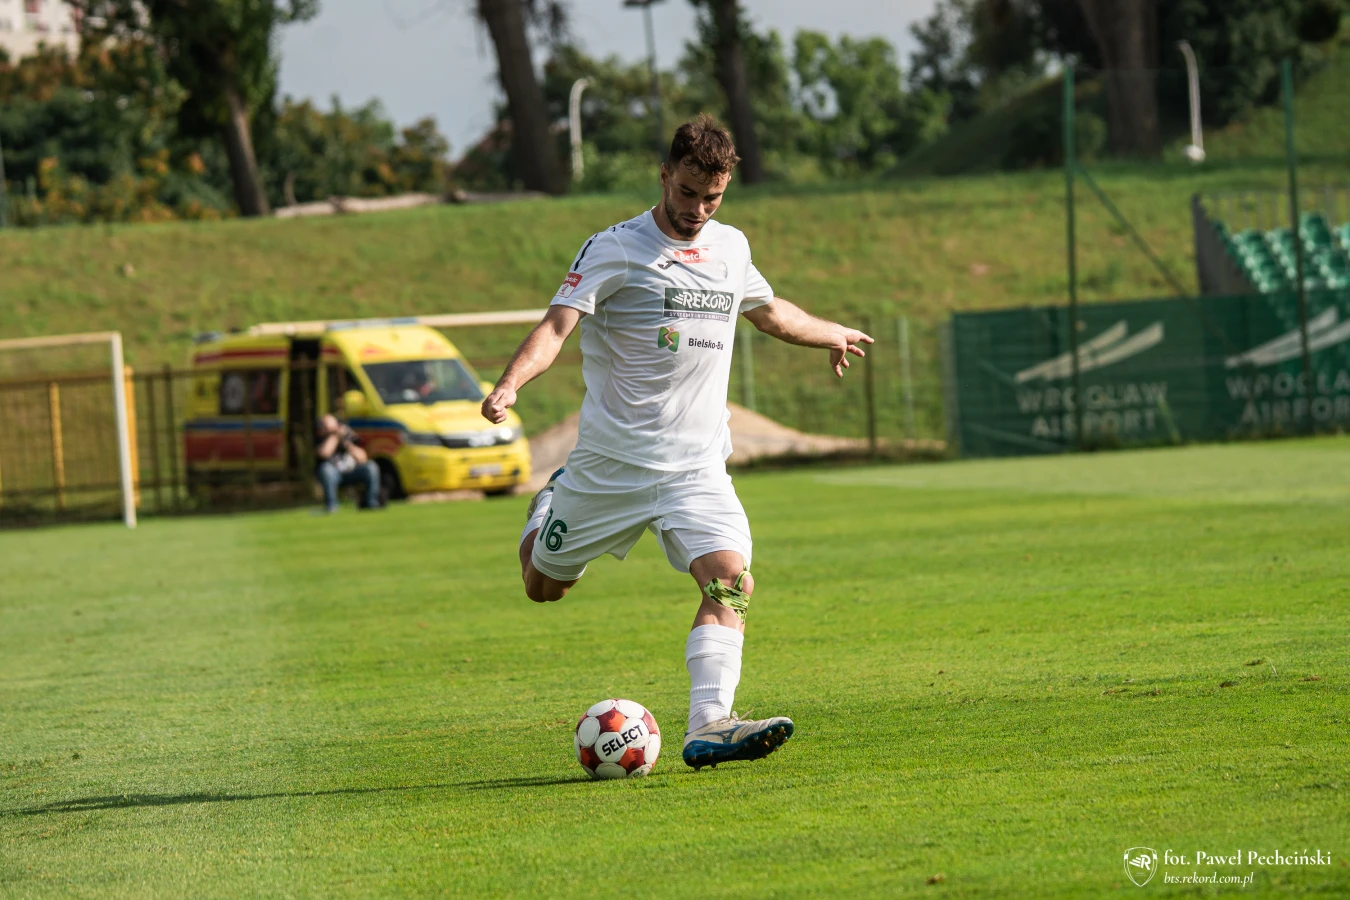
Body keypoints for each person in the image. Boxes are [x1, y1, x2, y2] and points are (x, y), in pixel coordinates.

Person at [480, 114, 873, 771]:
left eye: (711, 198)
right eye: (687, 193)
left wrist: (828, 331)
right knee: (542, 587)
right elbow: (555, 327)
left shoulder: (732, 248)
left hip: (697, 468)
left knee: (731, 582)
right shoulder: (614, 248)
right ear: (664, 176)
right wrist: (509, 384)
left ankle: (709, 724)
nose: (696, 209)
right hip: (610, 466)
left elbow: (770, 313)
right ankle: (547, 508)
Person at [315, 414, 381, 513]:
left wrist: (347, 444)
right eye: (325, 426)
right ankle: (331, 506)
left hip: (352, 472)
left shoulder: (349, 437)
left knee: (371, 466)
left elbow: (363, 458)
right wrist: (335, 436)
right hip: (334, 474)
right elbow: (324, 453)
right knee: (326, 469)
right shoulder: (320, 439)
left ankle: (371, 502)